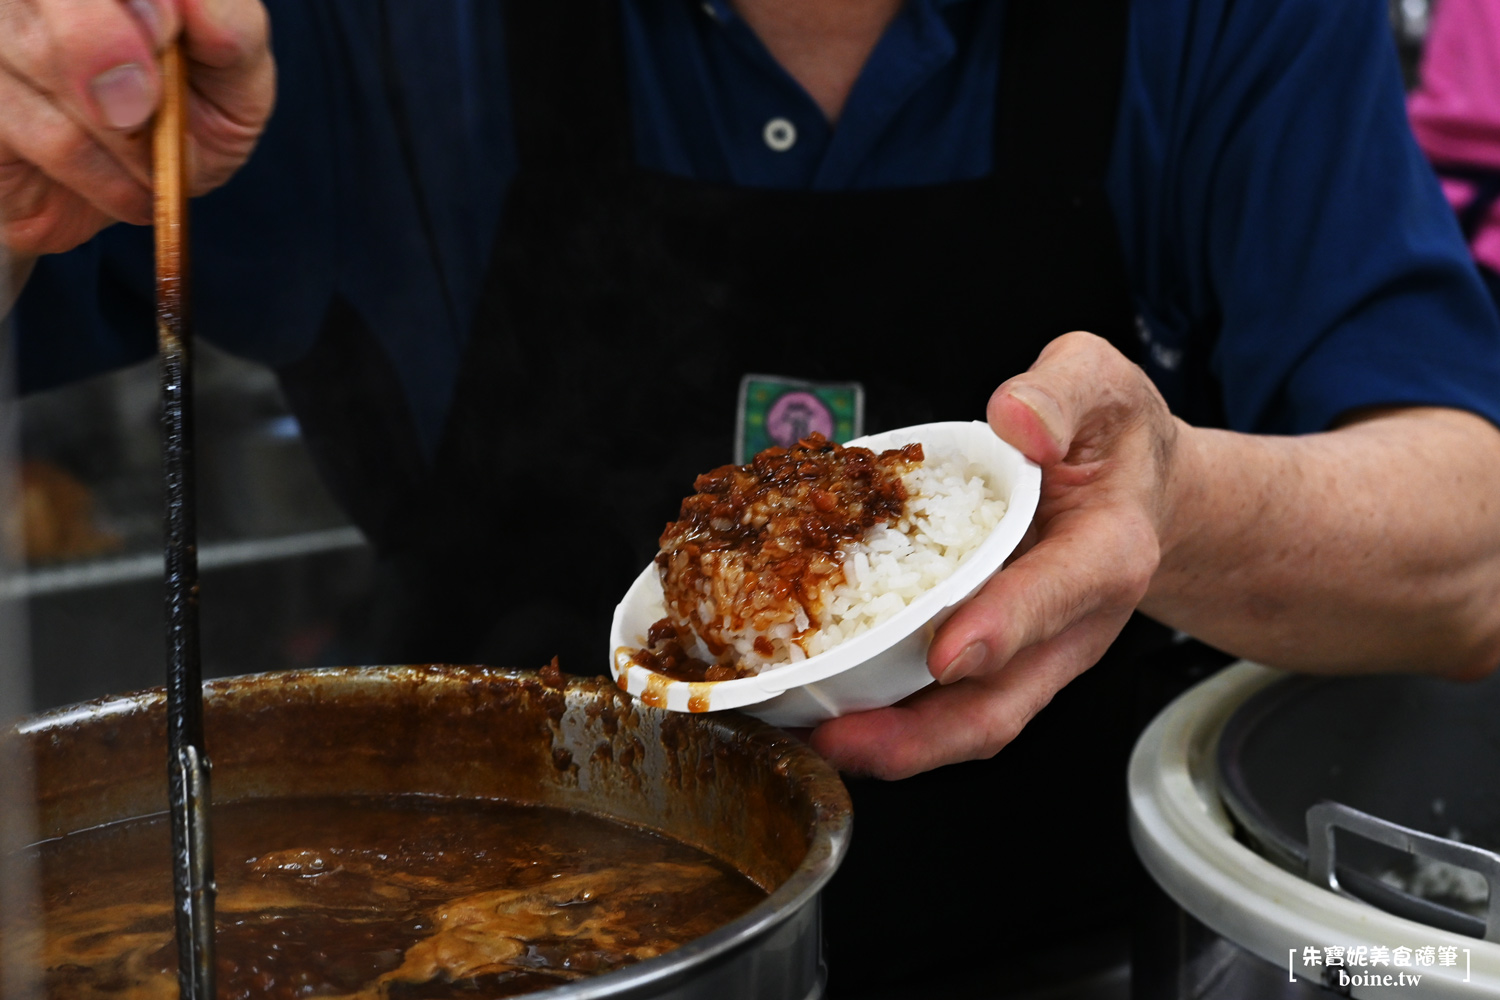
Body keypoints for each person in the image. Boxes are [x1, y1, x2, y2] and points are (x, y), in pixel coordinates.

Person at [6, 0, 1500, 992]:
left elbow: (1473, 547)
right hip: (479, 939)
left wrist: (1176, 504)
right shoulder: (347, 27)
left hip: (1081, 950)